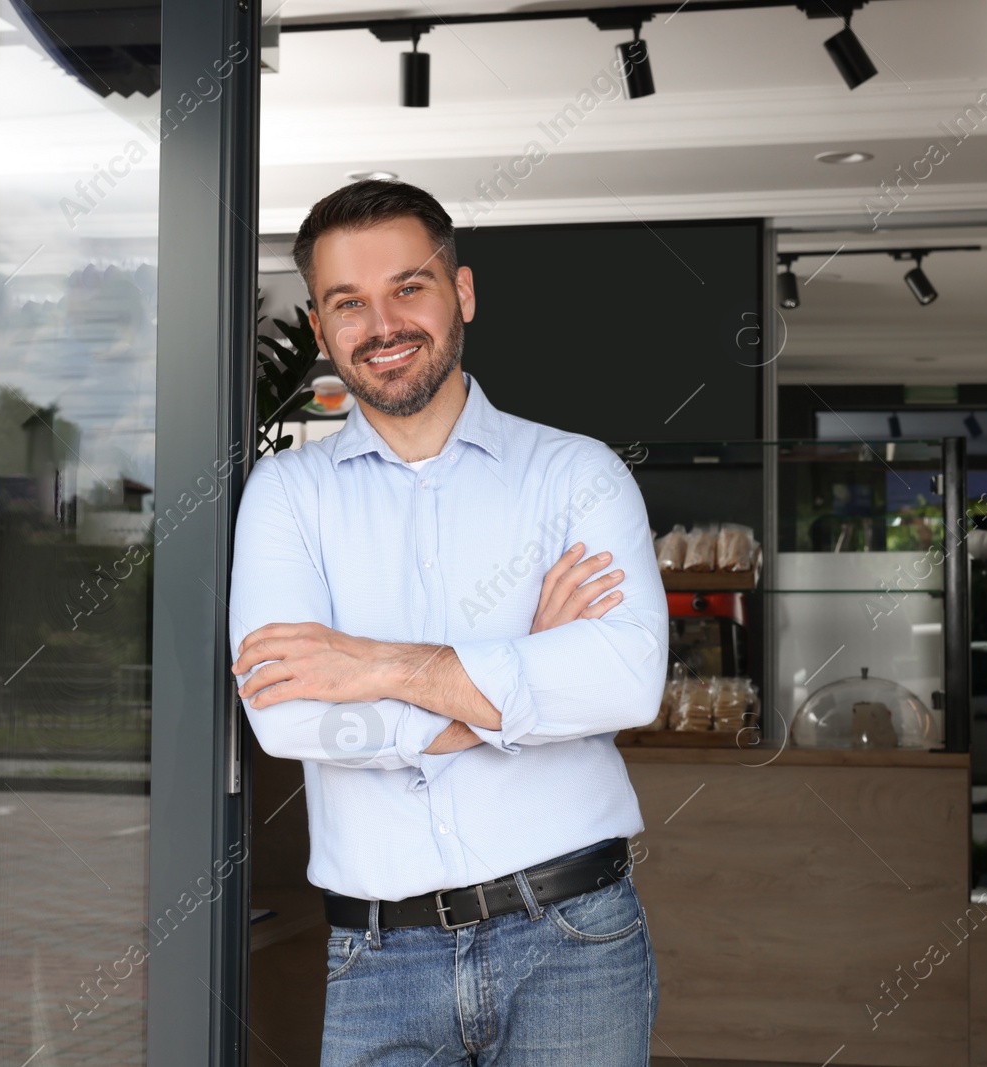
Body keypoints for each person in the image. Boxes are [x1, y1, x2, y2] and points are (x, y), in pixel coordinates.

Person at [227, 178, 667, 1066]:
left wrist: (376, 664)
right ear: (320, 329)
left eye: (408, 288)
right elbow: (287, 715)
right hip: (377, 959)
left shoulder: (577, 476)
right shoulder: (285, 497)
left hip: (573, 939)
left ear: (461, 293)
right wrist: (525, 677)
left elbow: (624, 680)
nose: (382, 324)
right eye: (349, 302)